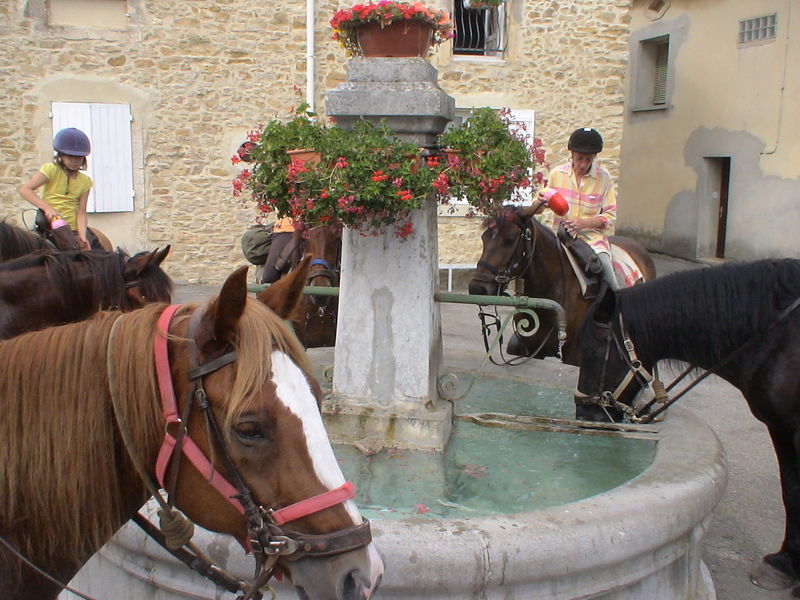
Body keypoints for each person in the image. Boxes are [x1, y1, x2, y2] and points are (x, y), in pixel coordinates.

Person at [537, 127, 620, 290]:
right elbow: (540, 203)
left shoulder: (604, 178)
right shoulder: (556, 174)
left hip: (592, 240)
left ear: (595, 157)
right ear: (572, 154)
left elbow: (610, 216)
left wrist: (585, 223)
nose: (583, 164)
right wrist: (540, 203)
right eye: (579, 158)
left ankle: (616, 306)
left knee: (608, 275)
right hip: (560, 238)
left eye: (588, 159)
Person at [19, 127, 100, 250]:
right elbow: (25, 190)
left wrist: (82, 236)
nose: (74, 161)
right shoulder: (51, 170)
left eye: (78, 157)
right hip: (52, 221)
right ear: (61, 155)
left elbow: (81, 212)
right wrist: (47, 208)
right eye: (70, 156)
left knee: (93, 249)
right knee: (66, 241)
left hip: (72, 226)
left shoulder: (85, 182)